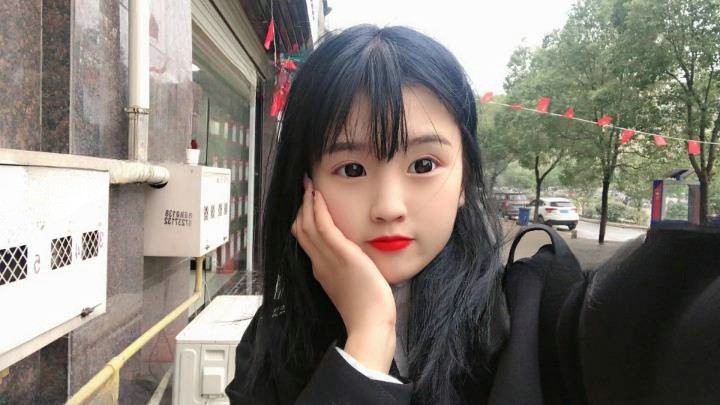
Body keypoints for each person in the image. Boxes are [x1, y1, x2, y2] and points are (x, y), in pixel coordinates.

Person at [225, 24, 539, 404]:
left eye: (423, 165)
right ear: (307, 185)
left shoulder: (530, 315)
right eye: (352, 170)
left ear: (464, 179)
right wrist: (369, 334)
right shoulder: (272, 345)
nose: (389, 208)